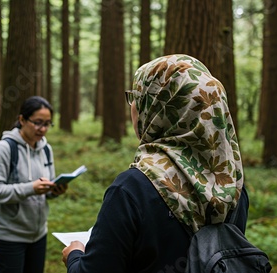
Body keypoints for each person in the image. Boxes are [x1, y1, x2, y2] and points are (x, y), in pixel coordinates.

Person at [62, 54, 249, 273]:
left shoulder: (132, 188)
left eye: (136, 97)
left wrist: (75, 255)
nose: (132, 106)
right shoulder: (233, 184)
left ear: (158, 107)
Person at [0, 96, 68, 273]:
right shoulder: (4, 149)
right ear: (22, 119)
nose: (43, 129)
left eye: (47, 124)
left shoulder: (46, 149)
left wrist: (55, 190)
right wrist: (30, 188)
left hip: (38, 234)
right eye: (38, 122)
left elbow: (46, 187)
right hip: (8, 237)